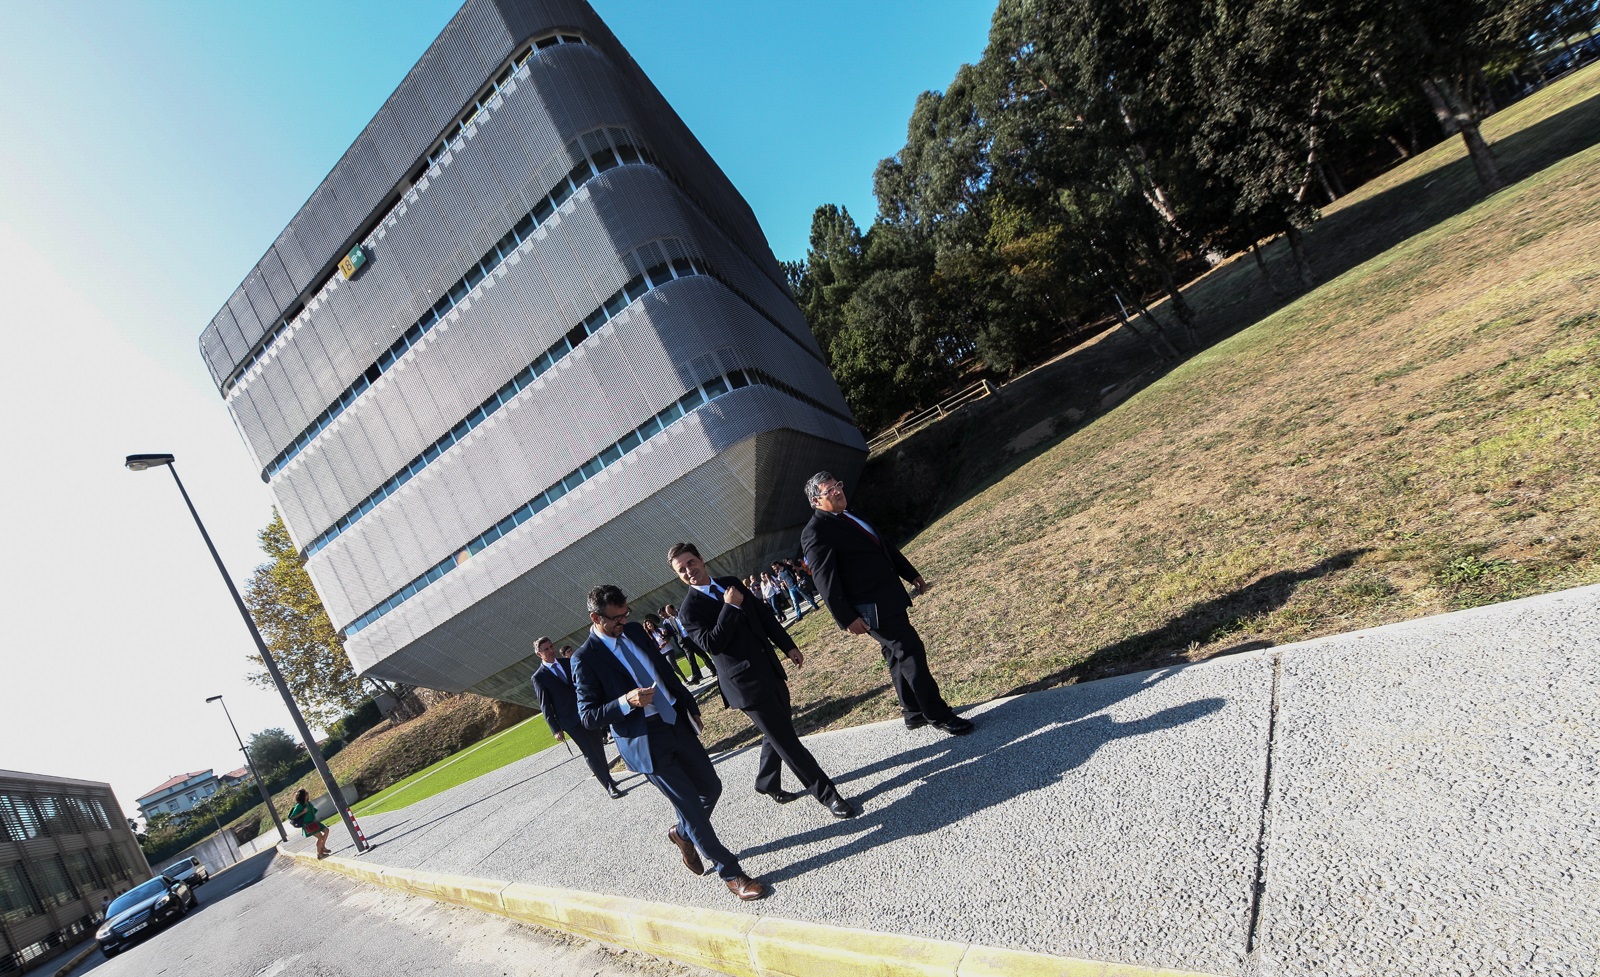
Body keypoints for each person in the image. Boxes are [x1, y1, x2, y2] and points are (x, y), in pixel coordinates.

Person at [572, 584, 768, 900]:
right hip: (645, 740)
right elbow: (587, 716)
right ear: (596, 618)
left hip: (674, 721)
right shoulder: (584, 658)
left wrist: (689, 706)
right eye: (616, 618)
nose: (623, 621)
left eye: (626, 613)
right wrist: (625, 701)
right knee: (691, 806)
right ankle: (731, 873)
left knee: (711, 788)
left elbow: (663, 670)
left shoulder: (634, 631)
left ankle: (682, 833)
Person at [670, 543, 857, 819]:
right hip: (745, 685)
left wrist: (787, 646)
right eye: (681, 570)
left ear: (701, 559)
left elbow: (763, 615)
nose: (689, 571)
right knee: (788, 741)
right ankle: (828, 795)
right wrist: (729, 607)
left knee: (779, 731)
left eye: (691, 563)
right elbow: (712, 644)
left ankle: (766, 781)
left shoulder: (731, 583)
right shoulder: (689, 610)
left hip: (769, 668)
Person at [799, 471, 975, 736]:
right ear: (816, 501)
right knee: (910, 650)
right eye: (829, 490)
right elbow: (825, 581)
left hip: (889, 596)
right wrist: (846, 618)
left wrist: (910, 573)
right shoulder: (816, 532)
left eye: (838, 485)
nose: (838, 491)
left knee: (895, 653)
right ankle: (938, 714)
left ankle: (913, 713)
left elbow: (884, 546)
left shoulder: (851, 514)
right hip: (870, 608)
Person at [532, 635, 626, 799]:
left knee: (598, 747)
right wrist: (555, 729)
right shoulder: (539, 677)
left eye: (551, 646)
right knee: (590, 752)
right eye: (546, 649)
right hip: (570, 721)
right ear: (539, 654)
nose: (551, 651)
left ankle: (608, 777)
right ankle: (608, 785)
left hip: (587, 712)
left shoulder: (567, 662)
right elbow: (545, 706)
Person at [661, 604, 715, 681]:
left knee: (702, 655)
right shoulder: (671, 620)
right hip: (684, 641)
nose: (671, 615)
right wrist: (666, 634)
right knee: (690, 659)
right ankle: (696, 677)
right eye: (669, 614)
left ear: (674, 609)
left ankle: (713, 670)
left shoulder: (683, 612)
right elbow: (675, 632)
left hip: (692, 638)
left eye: (671, 612)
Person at [287, 788, 331, 858]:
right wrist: (303, 812)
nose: (308, 794)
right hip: (307, 824)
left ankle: (322, 847)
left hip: (314, 822)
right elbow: (292, 817)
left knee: (326, 830)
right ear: (302, 796)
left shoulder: (308, 803)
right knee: (320, 837)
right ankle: (319, 854)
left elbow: (313, 811)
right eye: (306, 794)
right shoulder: (299, 806)